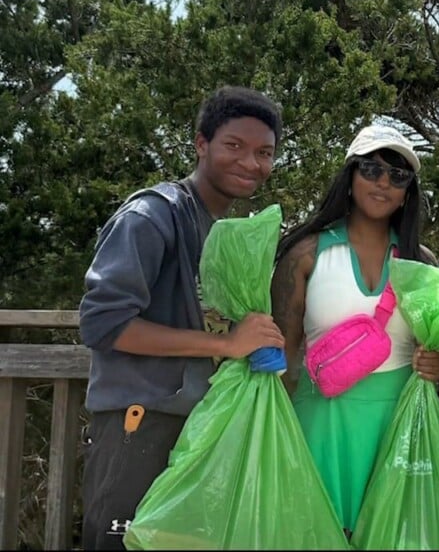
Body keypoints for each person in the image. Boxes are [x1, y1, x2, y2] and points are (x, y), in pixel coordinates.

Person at [78, 86, 287, 550]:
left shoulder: (222, 232)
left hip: (199, 431)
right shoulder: (152, 216)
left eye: (264, 153)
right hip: (141, 424)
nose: (251, 163)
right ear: (201, 144)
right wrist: (226, 344)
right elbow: (103, 323)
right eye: (234, 146)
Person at [270, 124, 439, 536]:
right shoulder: (305, 253)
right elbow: (282, 357)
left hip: (399, 427)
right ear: (349, 176)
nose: (383, 182)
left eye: (398, 176)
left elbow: (435, 349)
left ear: (408, 192)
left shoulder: (422, 263)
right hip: (320, 425)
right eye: (371, 169)